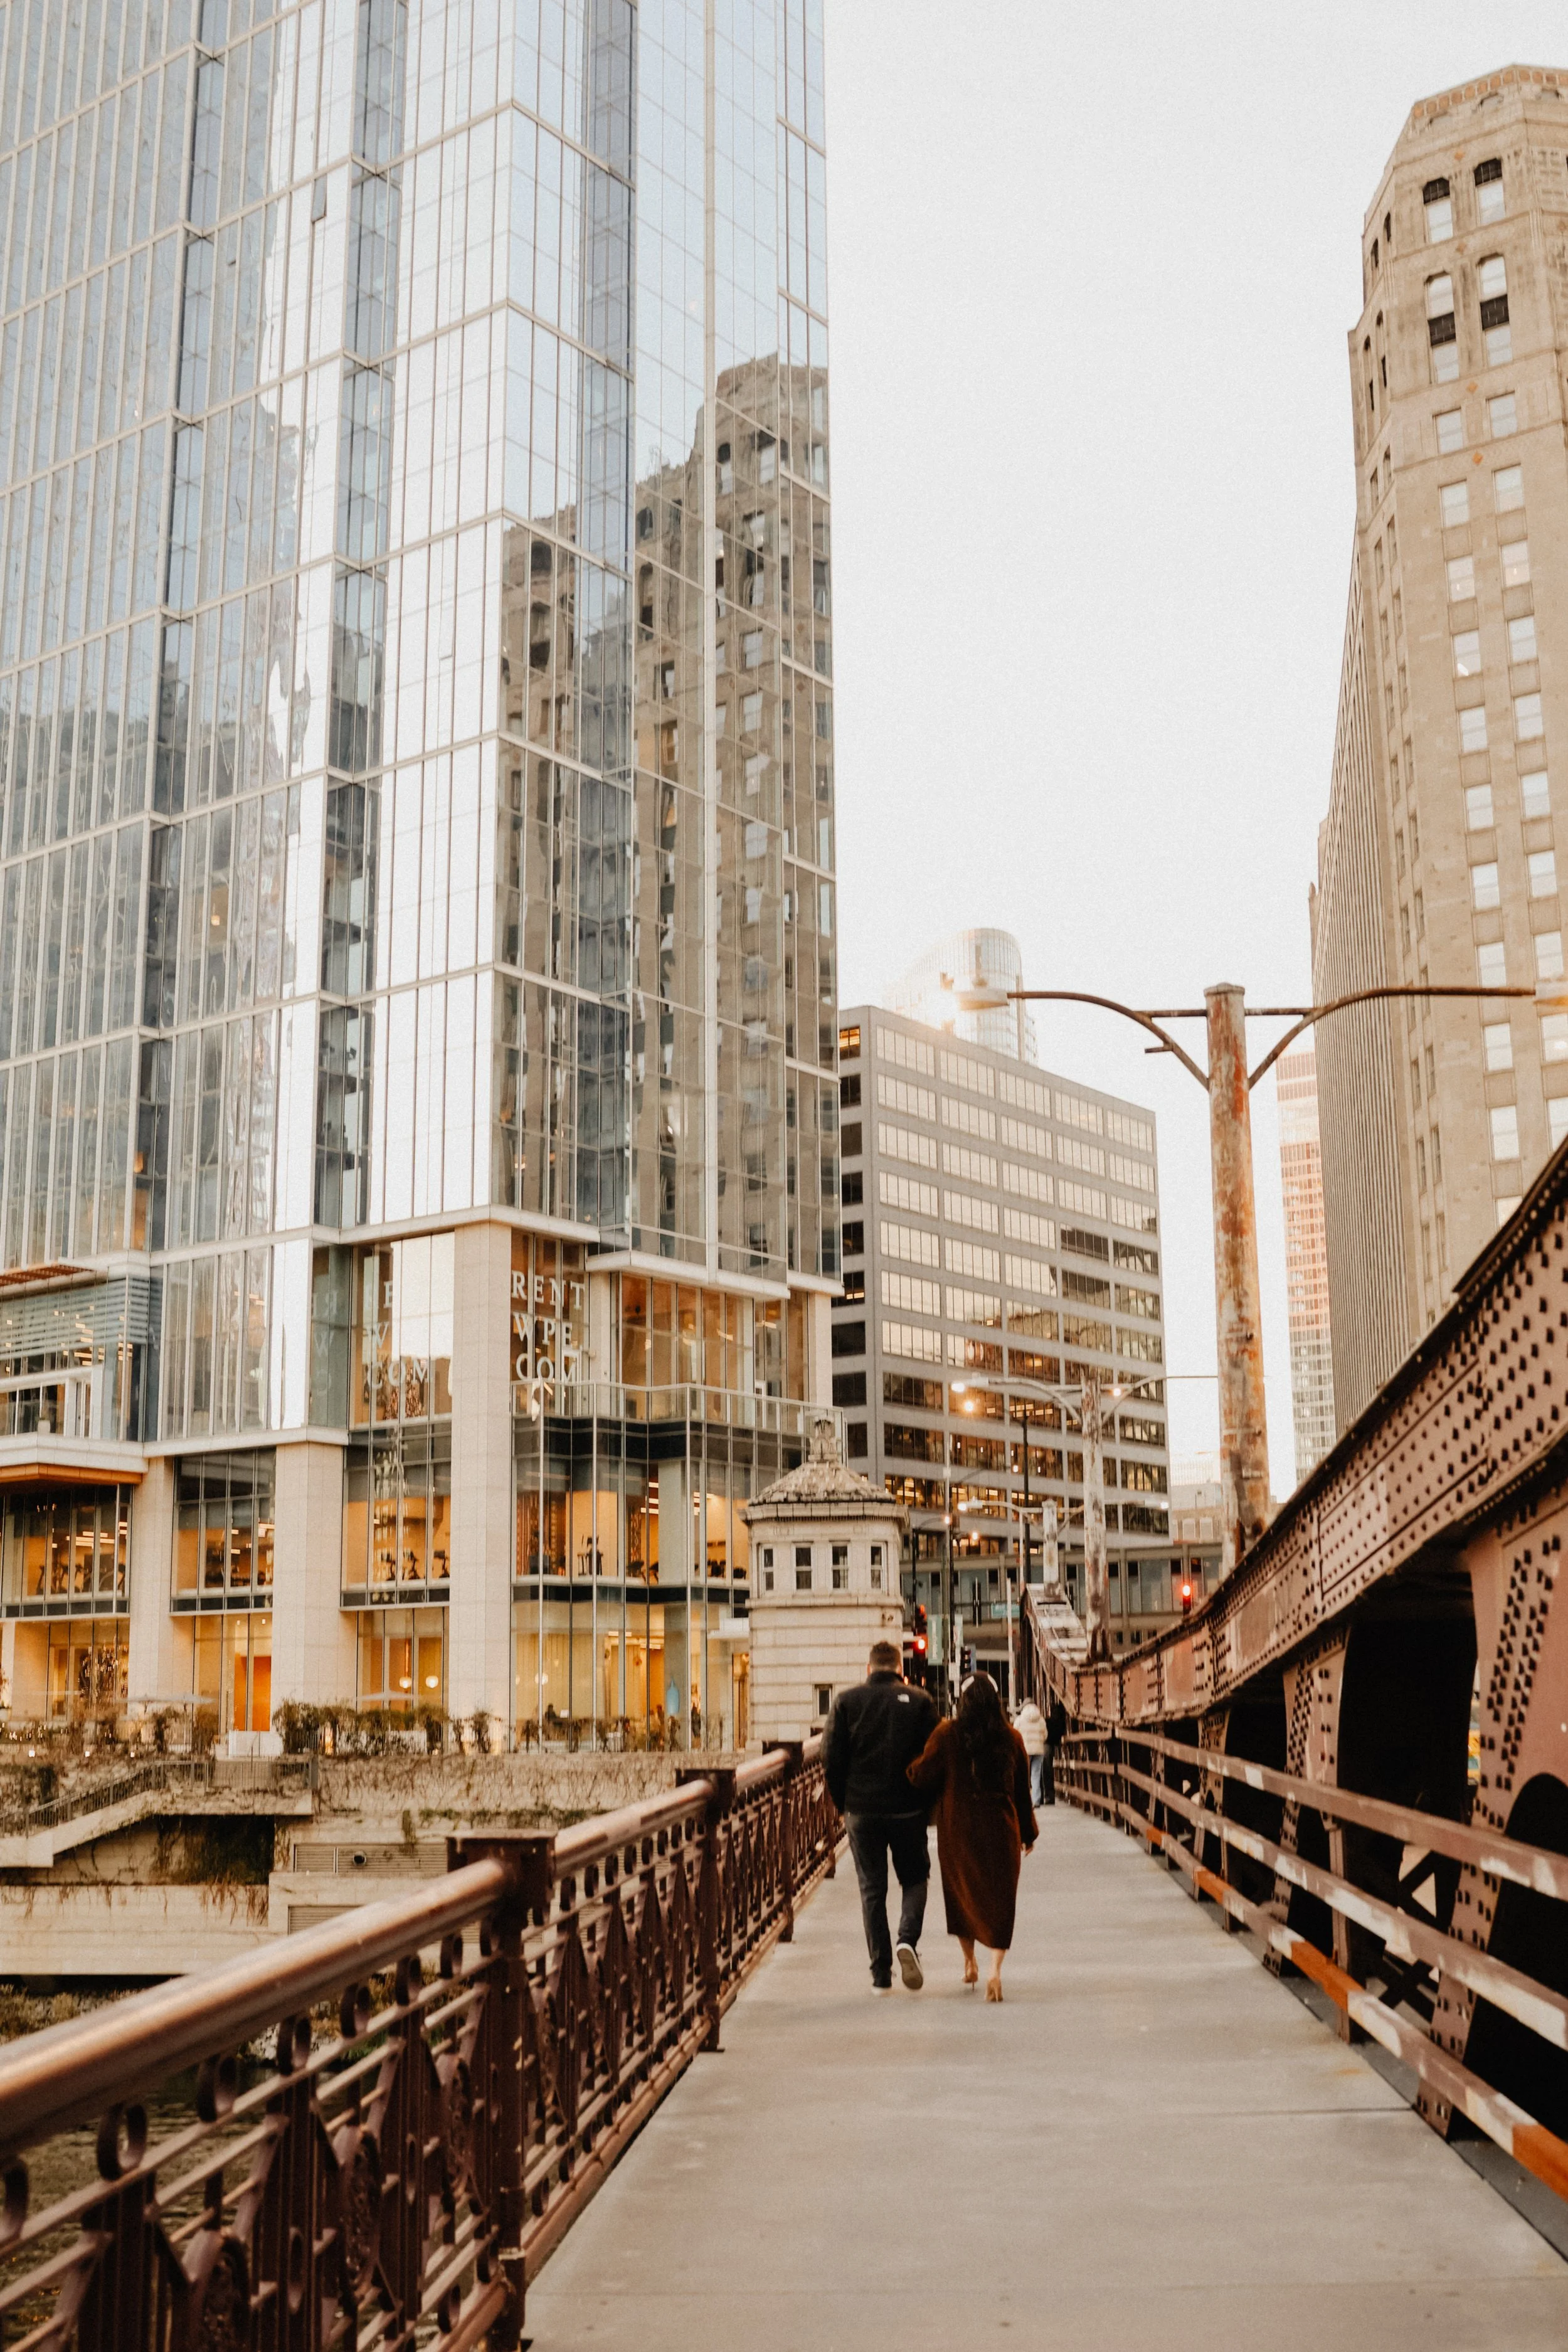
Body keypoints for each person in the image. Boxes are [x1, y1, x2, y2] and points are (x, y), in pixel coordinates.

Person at [908, 1671, 1036, 2002]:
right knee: (1001, 1901)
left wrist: (908, 1766)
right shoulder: (1012, 1738)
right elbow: (1023, 1791)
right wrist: (1029, 1833)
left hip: (959, 1830)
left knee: (961, 1896)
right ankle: (995, 1971)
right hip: (1002, 1830)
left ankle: (969, 1963)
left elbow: (921, 1775)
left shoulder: (947, 1734)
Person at [824, 1640, 939, 1993]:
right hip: (908, 1809)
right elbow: (935, 1756)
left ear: (869, 1669)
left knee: (872, 1890)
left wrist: (844, 1803)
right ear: (900, 1670)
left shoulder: (845, 1701)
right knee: (915, 1878)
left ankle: (880, 1974)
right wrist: (927, 1803)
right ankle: (907, 1939)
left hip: (862, 1809)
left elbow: (832, 1759)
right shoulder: (920, 1701)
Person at [1014, 1695, 1049, 1808]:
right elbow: (1045, 1735)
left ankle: (1025, 1800)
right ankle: (1036, 1800)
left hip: (1025, 1750)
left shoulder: (1020, 1720)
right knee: (1036, 1775)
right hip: (1039, 1750)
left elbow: (1015, 1735)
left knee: (1025, 1775)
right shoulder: (1041, 1719)